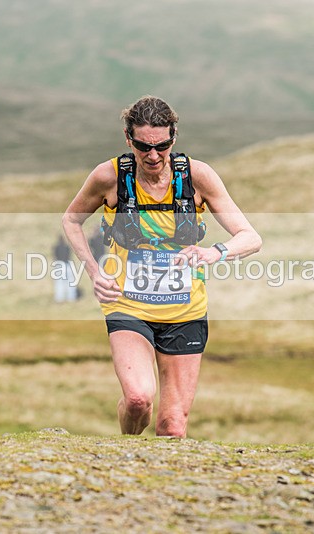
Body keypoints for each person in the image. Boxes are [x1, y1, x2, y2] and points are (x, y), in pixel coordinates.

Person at [62, 95, 261, 437]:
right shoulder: (108, 177)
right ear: (129, 139)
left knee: (172, 427)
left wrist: (215, 252)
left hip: (185, 310)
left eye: (162, 145)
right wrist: (94, 272)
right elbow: (71, 220)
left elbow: (250, 237)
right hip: (127, 304)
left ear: (174, 137)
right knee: (138, 399)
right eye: (143, 147)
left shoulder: (198, 177)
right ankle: (129, 449)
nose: (153, 156)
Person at [53, 234, 78, 303]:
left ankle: (59, 298)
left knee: (59, 282)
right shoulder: (67, 247)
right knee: (70, 282)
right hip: (67, 265)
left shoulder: (56, 247)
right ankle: (71, 297)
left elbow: (55, 257)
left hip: (59, 266)